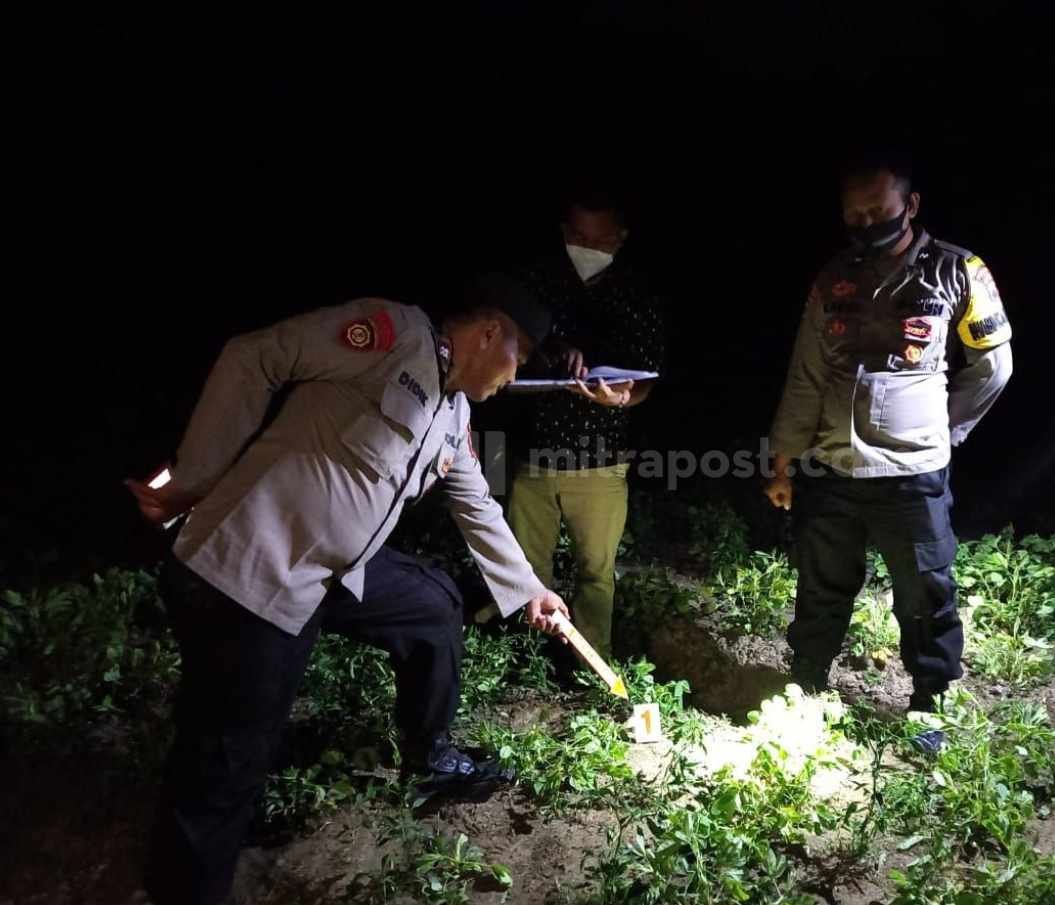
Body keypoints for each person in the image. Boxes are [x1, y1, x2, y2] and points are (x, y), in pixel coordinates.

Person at [125, 274, 570, 905]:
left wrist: (528, 590)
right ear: (489, 331)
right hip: (251, 576)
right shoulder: (388, 335)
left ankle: (430, 757)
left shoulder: (454, 410)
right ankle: (186, 882)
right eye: (517, 359)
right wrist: (194, 477)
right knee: (225, 760)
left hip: (330, 572)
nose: (514, 376)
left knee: (431, 604)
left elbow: (475, 503)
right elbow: (253, 355)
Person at [765, 151, 1014, 713]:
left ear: (911, 204)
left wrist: (944, 431)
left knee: (924, 589)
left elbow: (993, 368)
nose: (866, 224)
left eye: (878, 210)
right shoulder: (832, 279)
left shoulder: (958, 270)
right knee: (821, 583)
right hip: (833, 466)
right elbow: (805, 375)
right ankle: (807, 678)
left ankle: (928, 701)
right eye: (853, 216)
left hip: (912, 472)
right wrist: (782, 462)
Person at [504, 191, 666, 660]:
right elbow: (514, 342)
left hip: (602, 457)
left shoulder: (638, 292)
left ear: (620, 237)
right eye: (577, 235)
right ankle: (526, 658)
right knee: (525, 569)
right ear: (563, 232)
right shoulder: (536, 280)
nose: (585, 246)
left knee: (596, 572)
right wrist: (555, 349)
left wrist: (621, 398)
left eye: (597, 239)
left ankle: (591, 661)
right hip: (533, 451)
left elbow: (648, 377)